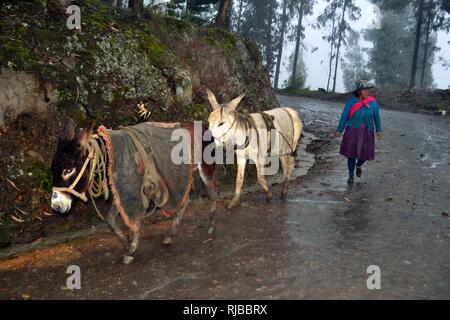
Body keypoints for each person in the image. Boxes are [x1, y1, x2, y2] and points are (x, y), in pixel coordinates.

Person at [335, 80, 382, 185]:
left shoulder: (373, 103)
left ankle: (359, 165)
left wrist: (378, 130)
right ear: (359, 91)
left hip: (367, 131)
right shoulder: (351, 102)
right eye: (364, 90)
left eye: (367, 90)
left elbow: (377, 117)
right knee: (351, 155)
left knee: (366, 154)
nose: (366, 92)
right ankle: (351, 175)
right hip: (352, 131)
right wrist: (339, 129)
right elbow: (345, 116)